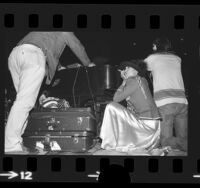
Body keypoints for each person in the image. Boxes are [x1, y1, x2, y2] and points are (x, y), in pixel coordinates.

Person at [5, 32, 94, 153]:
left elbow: (50, 54)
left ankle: (18, 141)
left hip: (15, 55)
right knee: (25, 103)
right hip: (32, 55)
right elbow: (76, 45)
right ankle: (10, 145)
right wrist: (88, 63)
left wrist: (59, 67)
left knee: (21, 103)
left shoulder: (42, 33)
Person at [100, 60, 161, 153]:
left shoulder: (132, 80)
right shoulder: (142, 80)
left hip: (147, 128)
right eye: (124, 69)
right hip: (154, 128)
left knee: (111, 106)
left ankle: (109, 143)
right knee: (122, 112)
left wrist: (124, 81)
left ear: (135, 71)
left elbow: (116, 99)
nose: (124, 70)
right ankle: (119, 140)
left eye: (127, 68)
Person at [144, 37, 188, 151]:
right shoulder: (177, 58)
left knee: (166, 140)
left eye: (153, 45)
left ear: (157, 46)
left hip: (165, 102)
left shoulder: (152, 58)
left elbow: (139, 68)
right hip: (182, 102)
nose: (152, 47)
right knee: (182, 136)